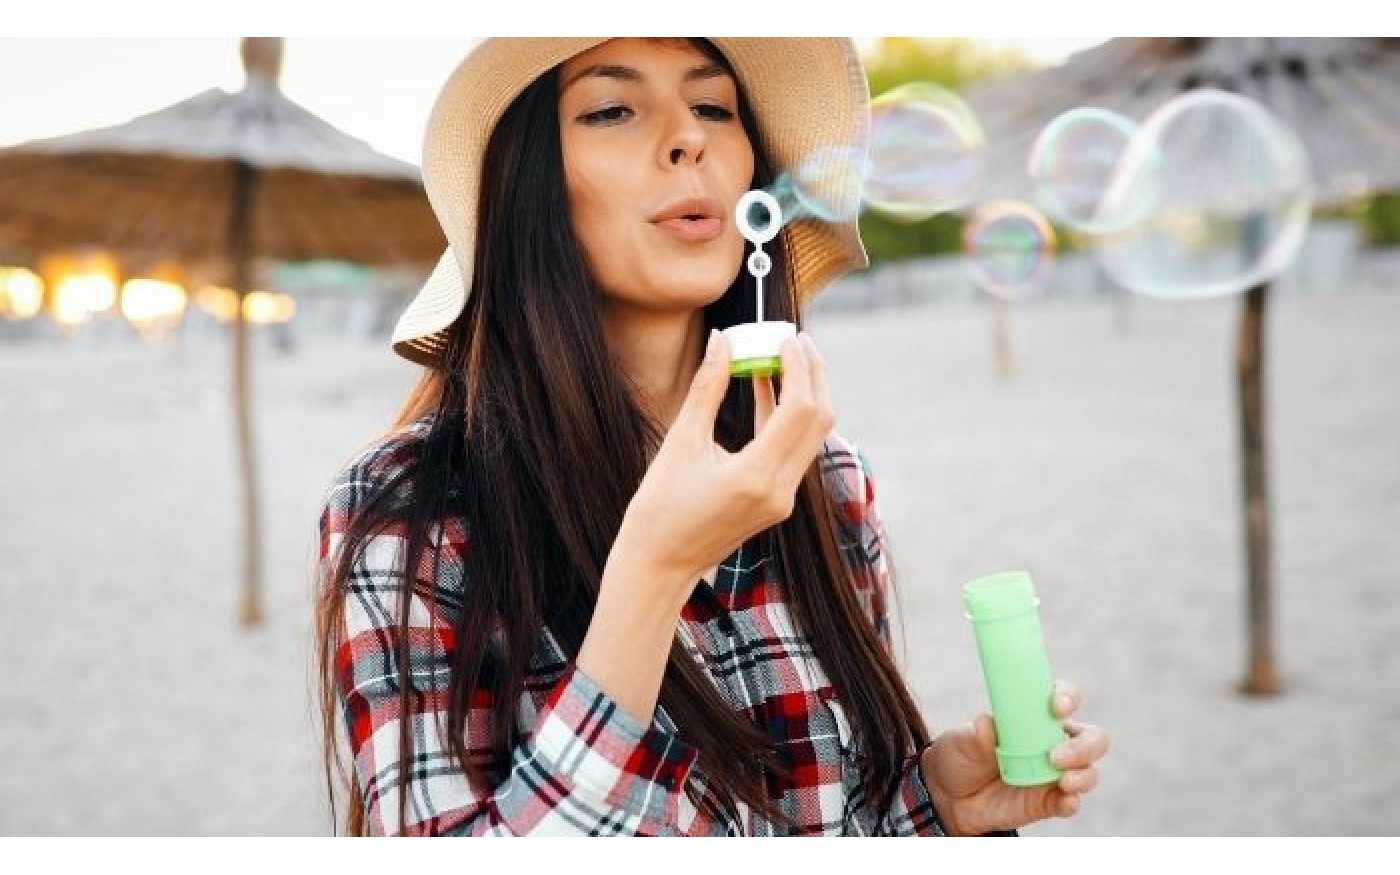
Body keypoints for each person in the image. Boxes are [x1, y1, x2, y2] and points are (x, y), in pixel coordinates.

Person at [313, 37, 1108, 837]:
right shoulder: (409, 513)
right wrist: (653, 573)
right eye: (612, 110)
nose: (689, 137)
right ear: (528, 186)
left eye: (713, 107)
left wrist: (933, 808)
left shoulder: (826, 479)